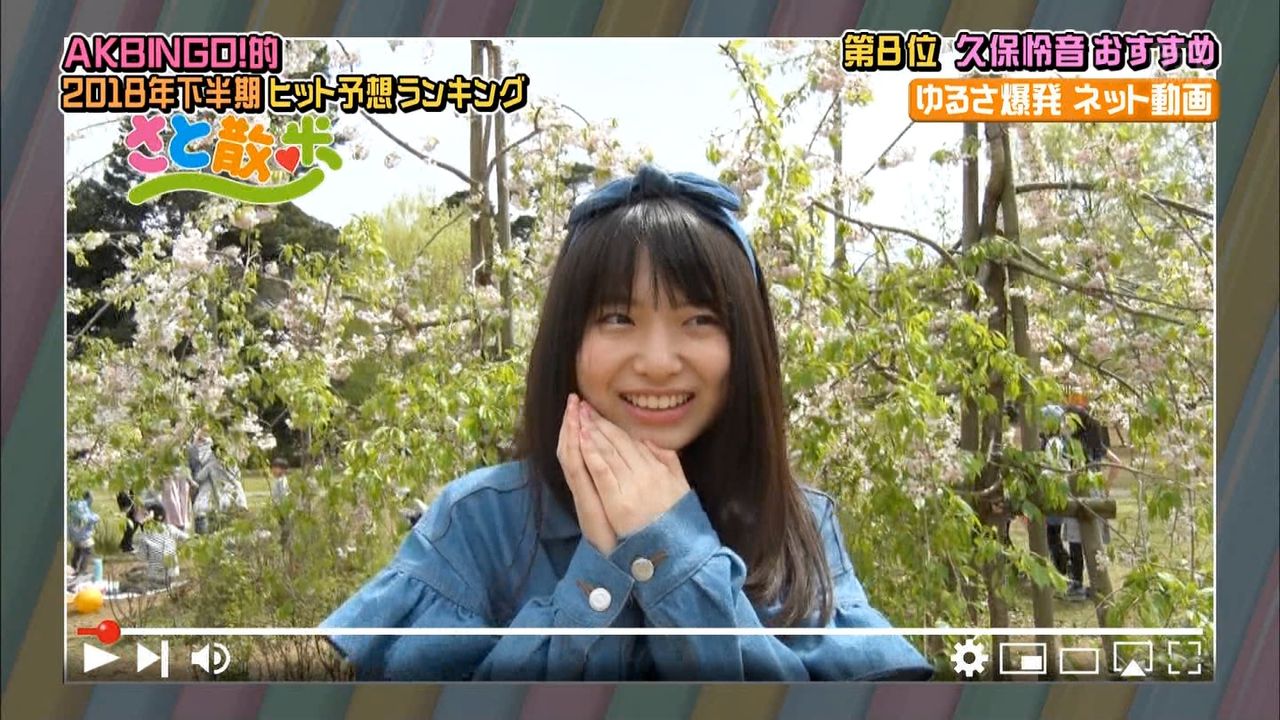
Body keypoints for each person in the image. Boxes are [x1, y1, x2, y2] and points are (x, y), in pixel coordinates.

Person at [321, 166, 933, 682]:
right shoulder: (478, 522)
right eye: (618, 318)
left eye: (700, 320)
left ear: (745, 347)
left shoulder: (793, 522)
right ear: (569, 342)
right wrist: (602, 569)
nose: (659, 363)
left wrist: (673, 551)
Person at [68, 491, 100, 577]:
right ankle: (81, 572)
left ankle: (73, 569)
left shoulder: (73, 504)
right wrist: (96, 517)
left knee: (77, 550)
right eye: (92, 497)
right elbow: (86, 518)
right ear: (89, 497)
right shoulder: (82, 505)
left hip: (73, 535)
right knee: (88, 551)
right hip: (83, 535)